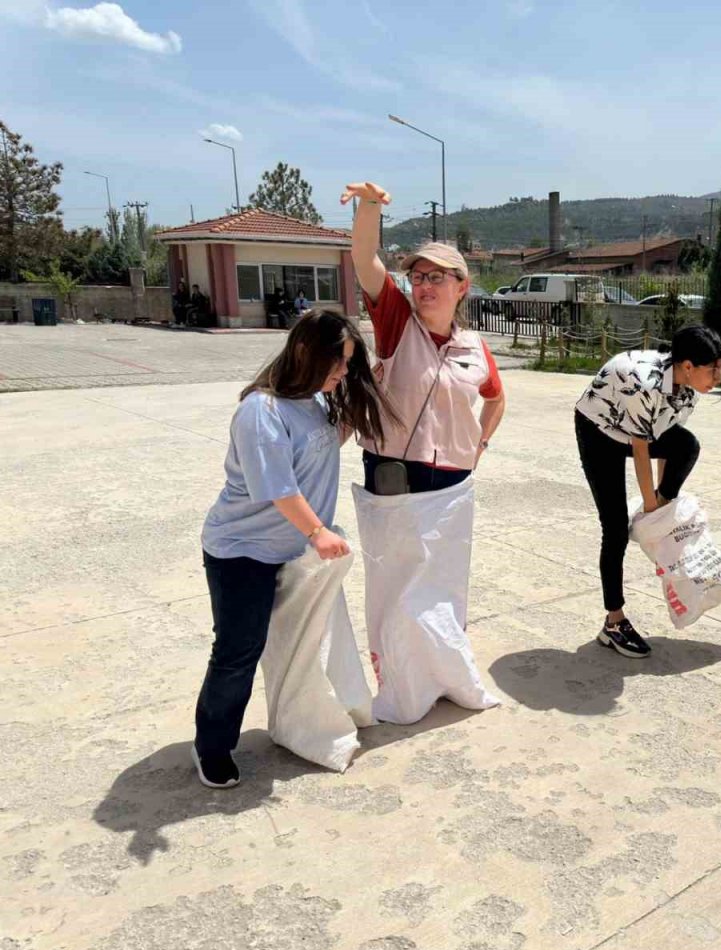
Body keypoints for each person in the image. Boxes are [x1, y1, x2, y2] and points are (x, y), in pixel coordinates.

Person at [193, 309, 394, 789]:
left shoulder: (313, 401)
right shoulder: (260, 411)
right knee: (239, 650)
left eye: (347, 364)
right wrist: (318, 534)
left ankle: (298, 720)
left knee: (300, 646)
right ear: (306, 353)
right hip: (243, 552)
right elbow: (278, 488)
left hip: (294, 552)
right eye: (338, 363)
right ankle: (213, 748)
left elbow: (325, 443)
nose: (343, 373)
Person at [339, 181, 506, 492]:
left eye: (436, 277)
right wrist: (370, 206)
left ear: (461, 286)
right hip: (393, 469)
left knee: (449, 544)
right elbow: (364, 258)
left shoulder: (474, 347)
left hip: (453, 475)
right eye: (417, 277)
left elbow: (495, 398)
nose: (424, 285)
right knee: (392, 543)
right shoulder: (396, 321)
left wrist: (479, 443)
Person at [574, 325, 721, 658]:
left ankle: (657, 505)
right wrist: (648, 509)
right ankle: (614, 623)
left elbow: (666, 445)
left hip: (632, 430)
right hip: (599, 432)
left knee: (687, 446)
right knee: (614, 529)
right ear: (688, 366)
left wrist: (662, 503)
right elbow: (641, 452)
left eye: (720, 369)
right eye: (712, 370)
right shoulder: (644, 383)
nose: (718, 377)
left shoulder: (687, 391)